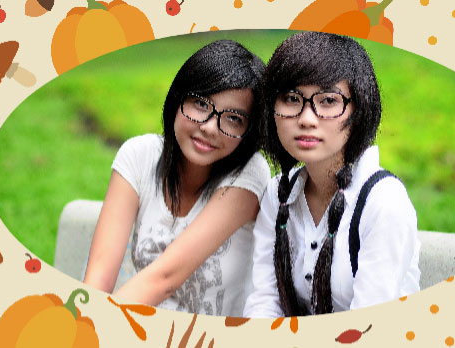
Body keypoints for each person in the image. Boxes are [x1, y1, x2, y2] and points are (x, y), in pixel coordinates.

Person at [83, 39, 270, 316]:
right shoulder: (139, 156)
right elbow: (98, 279)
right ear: (177, 99)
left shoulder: (250, 173)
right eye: (200, 104)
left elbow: (164, 279)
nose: (209, 127)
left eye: (233, 118)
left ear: (248, 132)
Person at [243, 32, 421, 317]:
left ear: (358, 111)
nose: (306, 119)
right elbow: (264, 302)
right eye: (291, 98)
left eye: (328, 100)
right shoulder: (278, 195)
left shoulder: (383, 202)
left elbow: (368, 328)